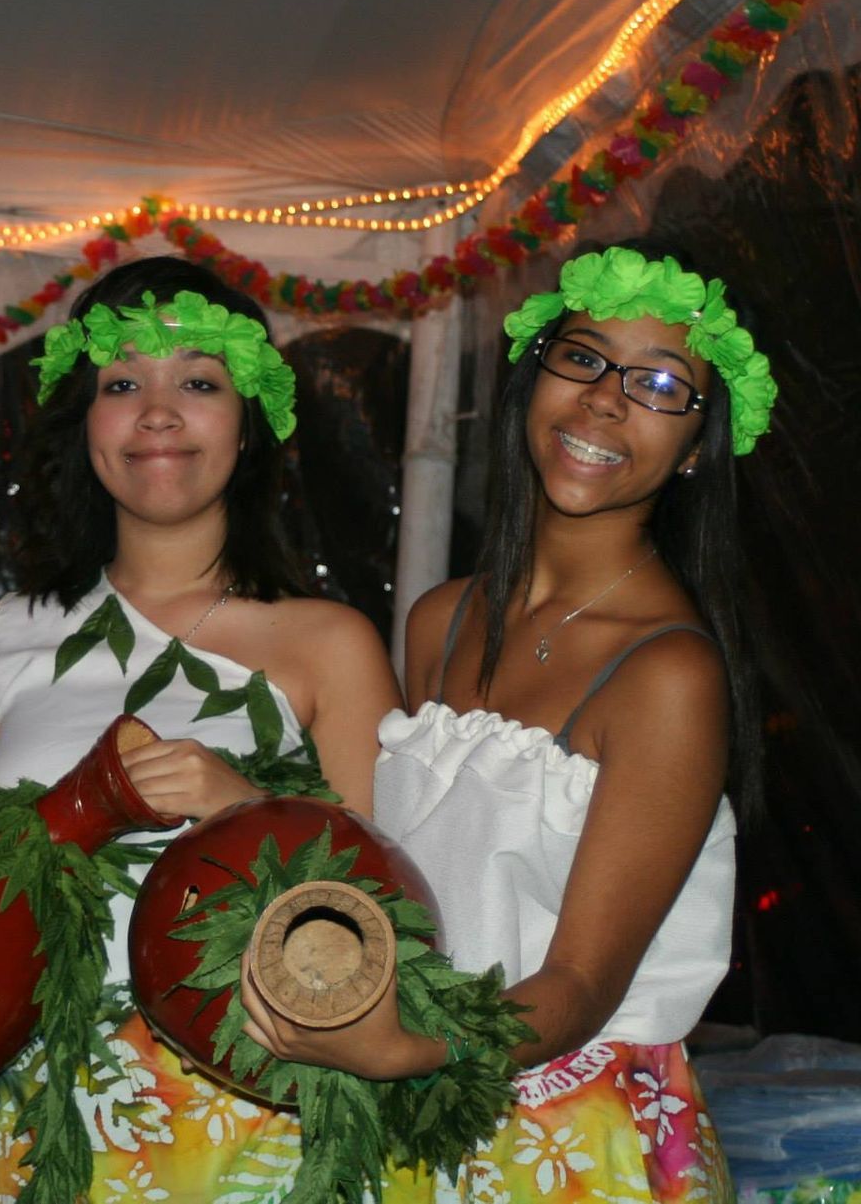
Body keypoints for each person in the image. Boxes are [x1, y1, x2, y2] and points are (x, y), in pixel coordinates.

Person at [0, 256, 402, 1202]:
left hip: (256, 1108)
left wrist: (245, 808)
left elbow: (386, 911)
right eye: (122, 384)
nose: (158, 412)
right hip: (38, 1115)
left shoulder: (329, 642)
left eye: (198, 381)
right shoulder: (3, 636)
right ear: (85, 424)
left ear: (252, 421)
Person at [238, 242, 775, 1202]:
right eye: (585, 358)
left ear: (698, 446)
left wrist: (408, 1041)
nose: (609, 399)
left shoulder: (670, 673)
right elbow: (403, 874)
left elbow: (578, 982)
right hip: (413, 1117)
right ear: (534, 380)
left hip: (574, 1139)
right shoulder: (439, 621)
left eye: (660, 383)